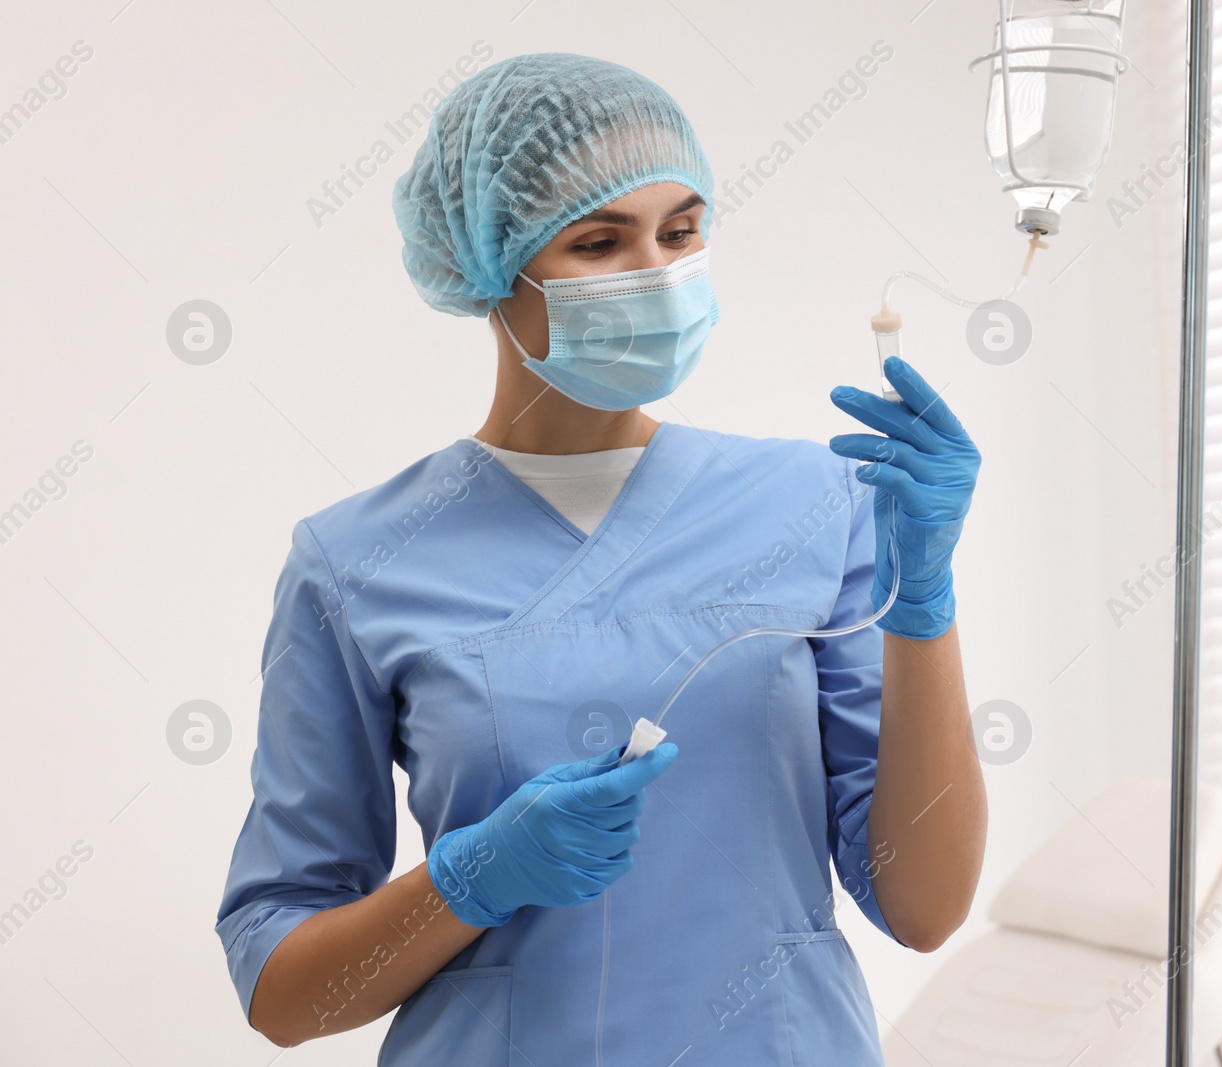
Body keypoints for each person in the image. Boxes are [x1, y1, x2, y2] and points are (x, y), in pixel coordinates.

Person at [215, 52, 986, 1066]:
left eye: (681, 228)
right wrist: (468, 879)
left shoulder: (818, 504)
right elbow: (283, 993)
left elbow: (923, 904)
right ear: (489, 264)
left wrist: (921, 601)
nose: (658, 272)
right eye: (598, 240)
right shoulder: (355, 561)